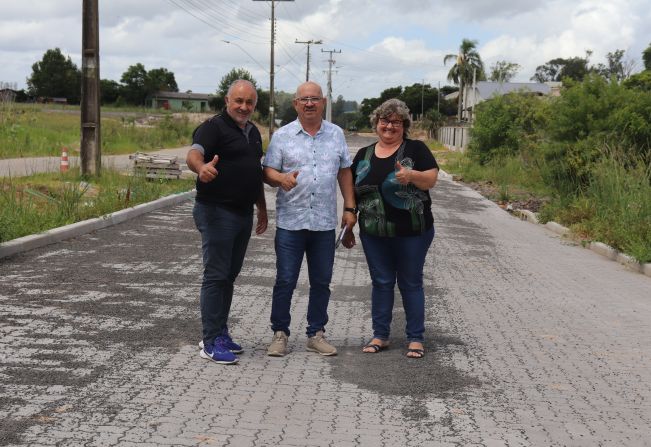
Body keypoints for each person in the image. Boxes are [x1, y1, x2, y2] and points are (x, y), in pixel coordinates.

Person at [262, 81, 357, 357]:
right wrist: (281, 178)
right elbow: (267, 171)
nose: (309, 104)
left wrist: (349, 208)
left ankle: (316, 334)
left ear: (324, 102)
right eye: (304, 99)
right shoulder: (282, 136)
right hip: (291, 222)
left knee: (321, 281)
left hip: (324, 223)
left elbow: (344, 172)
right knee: (285, 280)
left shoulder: (336, 134)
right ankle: (280, 333)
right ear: (295, 104)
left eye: (314, 99)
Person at [346, 98, 439, 359]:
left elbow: (431, 178)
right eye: (384, 121)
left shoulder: (416, 149)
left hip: (413, 233)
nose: (389, 126)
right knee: (381, 282)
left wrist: (412, 176)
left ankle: (416, 338)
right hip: (374, 233)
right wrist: (350, 215)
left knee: (410, 283)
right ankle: (380, 335)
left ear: (404, 125)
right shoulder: (363, 154)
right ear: (376, 123)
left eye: (395, 122)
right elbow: (351, 188)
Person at [186, 79, 268, 365]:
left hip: (242, 212)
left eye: (249, 103)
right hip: (216, 211)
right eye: (239, 101)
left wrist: (262, 208)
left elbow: (254, 172)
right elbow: (194, 153)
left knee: (229, 276)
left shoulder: (253, 132)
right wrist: (202, 168)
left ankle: (220, 332)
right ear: (227, 100)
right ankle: (209, 342)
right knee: (216, 275)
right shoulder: (213, 128)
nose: (244, 107)